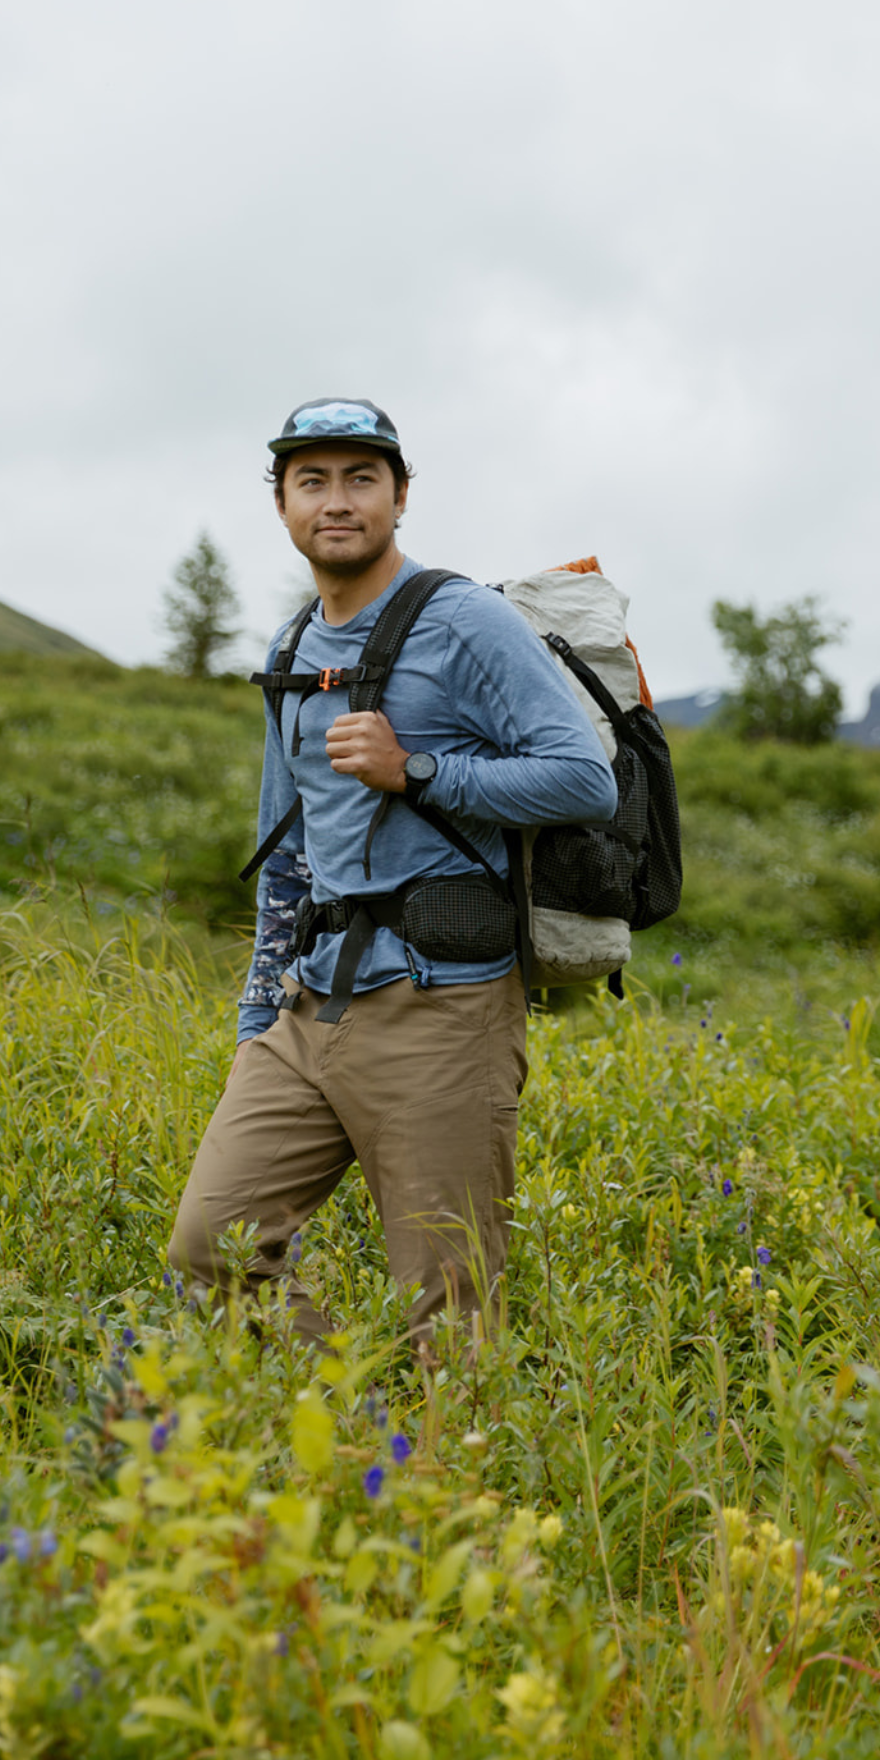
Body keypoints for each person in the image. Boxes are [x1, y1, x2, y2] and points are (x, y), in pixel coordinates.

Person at [167, 397, 617, 1348]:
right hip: (307, 1008)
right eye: (312, 481)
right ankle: (360, 1436)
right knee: (212, 1247)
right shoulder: (291, 647)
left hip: (442, 1011)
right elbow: (283, 853)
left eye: (361, 478)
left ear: (400, 496)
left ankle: (431, 1484)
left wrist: (417, 768)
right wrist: (257, 1021)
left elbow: (585, 779)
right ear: (282, 504)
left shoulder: (464, 621)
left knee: (447, 1308)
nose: (337, 500)